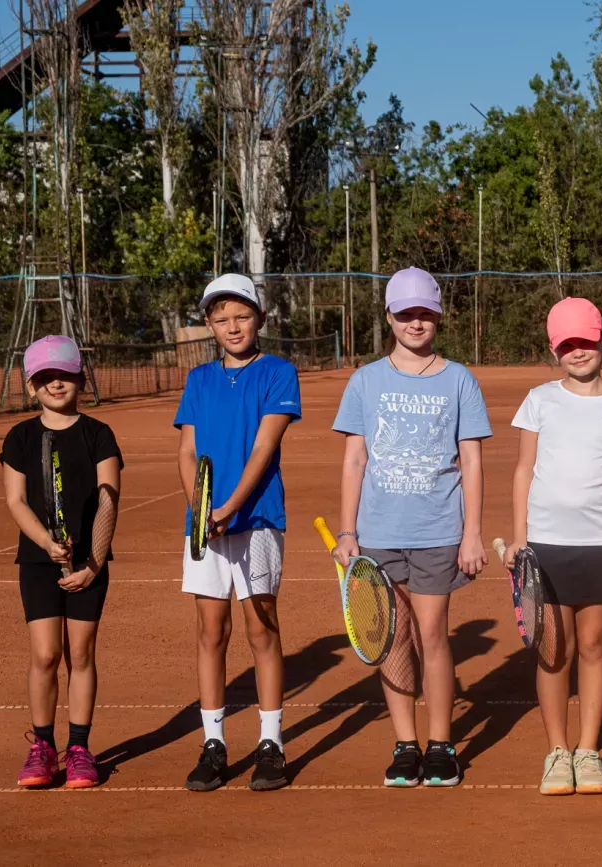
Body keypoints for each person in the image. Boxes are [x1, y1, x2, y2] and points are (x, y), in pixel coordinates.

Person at [332, 267, 492, 788]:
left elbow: (471, 461)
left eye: (424, 312)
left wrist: (471, 532)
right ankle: (406, 743)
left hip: (439, 530)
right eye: (405, 313)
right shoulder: (366, 380)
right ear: (389, 318)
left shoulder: (459, 379)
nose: (415, 322)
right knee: (393, 637)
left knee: (432, 634)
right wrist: (348, 531)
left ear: (438, 316)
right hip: (377, 533)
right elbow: (355, 459)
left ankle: (442, 743)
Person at [508, 297, 602, 796]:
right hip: (545, 546)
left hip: (601, 545)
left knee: (592, 645)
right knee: (553, 651)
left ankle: (588, 752)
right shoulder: (539, 400)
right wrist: (520, 540)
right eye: (567, 344)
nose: (578, 351)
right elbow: (524, 470)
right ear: (554, 350)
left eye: (586, 341)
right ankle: (556, 753)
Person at [175, 274, 302, 792]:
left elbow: (263, 448)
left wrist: (229, 505)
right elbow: (186, 451)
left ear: (260, 319)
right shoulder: (198, 380)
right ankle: (214, 744)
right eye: (221, 317)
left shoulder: (278, 372)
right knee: (211, 632)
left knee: (261, 628)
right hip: (205, 525)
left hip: (258, 520)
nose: (232, 326)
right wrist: (201, 508)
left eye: (242, 316)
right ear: (208, 323)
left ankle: (271, 742)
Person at [1, 335, 123, 789]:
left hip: (89, 562)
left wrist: (91, 562)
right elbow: (15, 501)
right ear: (31, 385)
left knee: (81, 654)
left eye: (66, 375)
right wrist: (47, 545)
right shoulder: (20, 437)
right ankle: (42, 747)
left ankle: (79, 748)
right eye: (46, 377)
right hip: (37, 562)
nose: (57, 383)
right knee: (46, 654)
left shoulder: (98, 434)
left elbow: (109, 498)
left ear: (81, 379)